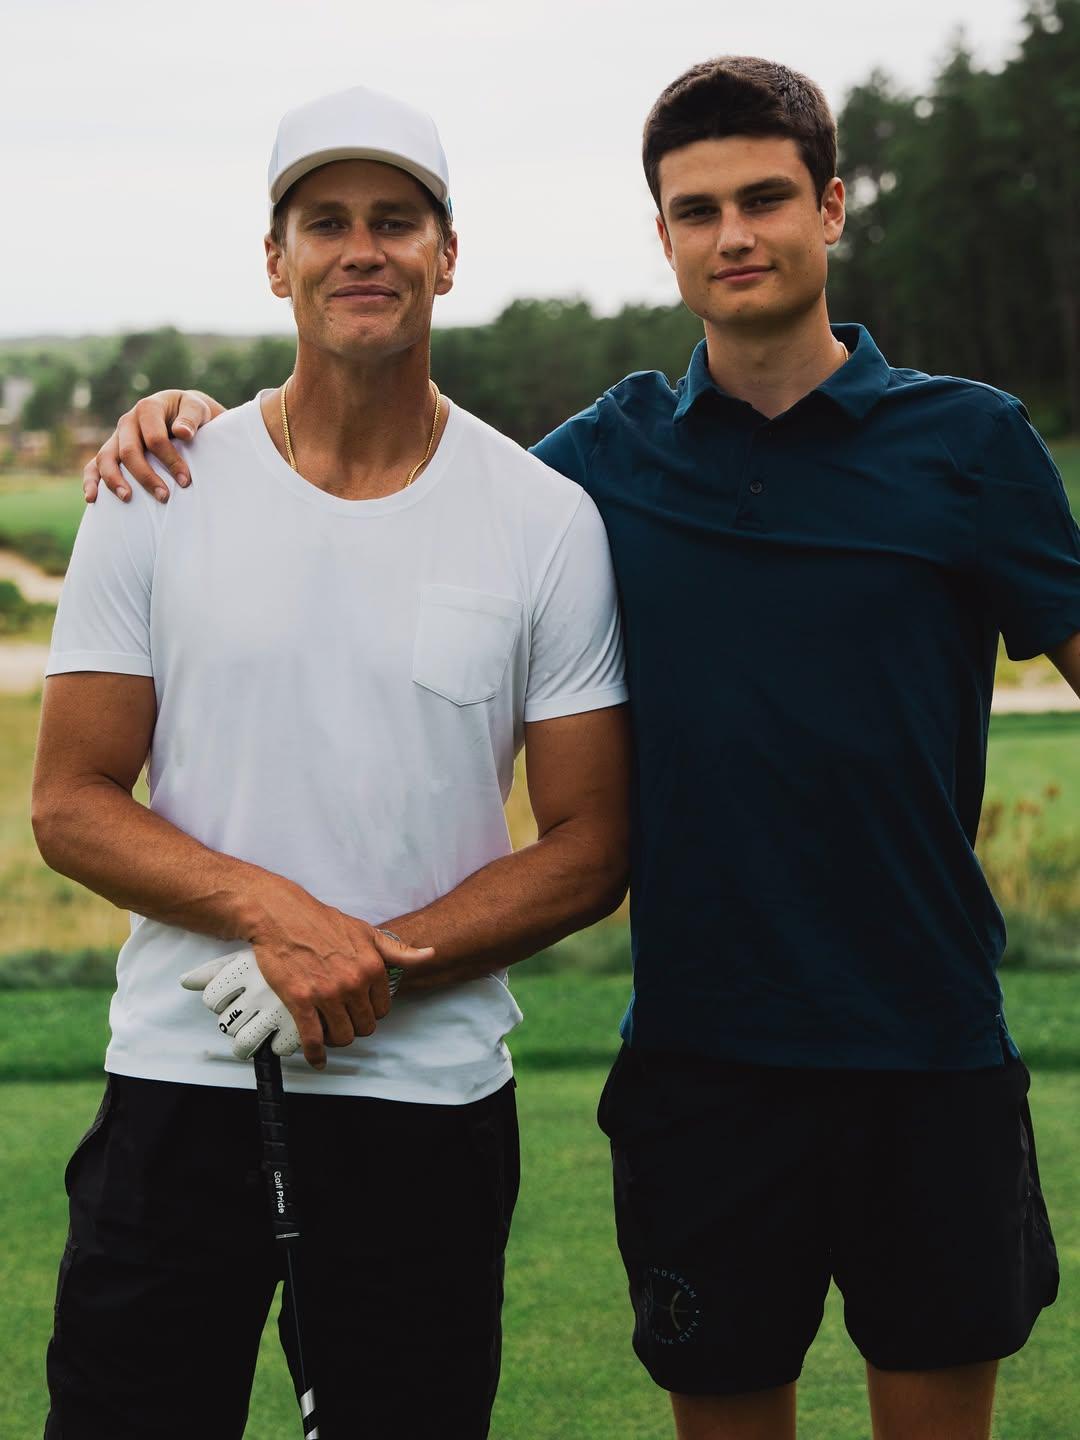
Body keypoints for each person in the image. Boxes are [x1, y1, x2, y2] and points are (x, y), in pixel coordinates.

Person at [86, 56, 1080, 1440]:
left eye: (767, 199)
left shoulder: (969, 444)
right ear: (662, 235)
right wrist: (193, 423)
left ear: (834, 207)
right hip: (705, 1063)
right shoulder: (599, 467)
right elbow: (400, 486)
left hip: (931, 1050)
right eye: (697, 209)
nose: (734, 234)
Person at [34, 83, 631, 1440]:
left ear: (448, 254)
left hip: (427, 1105)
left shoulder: (544, 519)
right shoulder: (158, 488)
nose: (362, 247)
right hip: (181, 1085)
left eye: (397, 219)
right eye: (325, 221)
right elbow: (70, 803)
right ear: (276, 259)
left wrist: (374, 962)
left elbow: (591, 844)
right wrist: (279, 917)